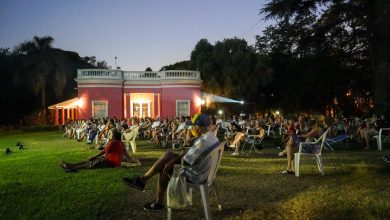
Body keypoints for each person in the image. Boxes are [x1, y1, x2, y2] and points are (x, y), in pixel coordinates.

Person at [122, 113, 219, 211]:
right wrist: (177, 157)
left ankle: (157, 201)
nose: (192, 128)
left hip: (195, 175)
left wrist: (171, 163)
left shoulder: (202, 142)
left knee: (164, 168)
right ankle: (142, 180)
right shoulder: (212, 138)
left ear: (198, 127)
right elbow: (189, 154)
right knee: (169, 154)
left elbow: (185, 161)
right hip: (204, 171)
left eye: (193, 126)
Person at [59, 130, 139, 171]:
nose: (109, 135)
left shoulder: (112, 143)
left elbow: (103, 152)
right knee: (88, 161)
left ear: (114, 136)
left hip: (108, 162)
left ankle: (70, 167)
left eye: (110, 134)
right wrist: (132, 161)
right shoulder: (121, 143)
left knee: (89, 164)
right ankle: (70, 164)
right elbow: (127, 155)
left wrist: (93, 156)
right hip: (107, 160)